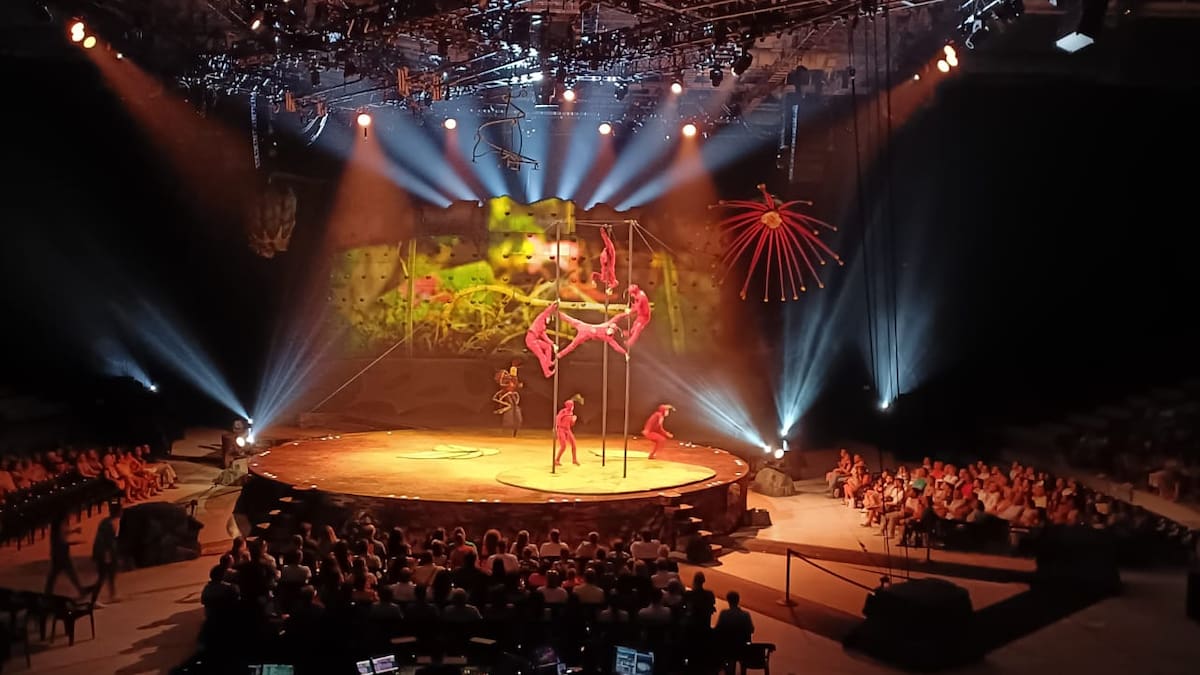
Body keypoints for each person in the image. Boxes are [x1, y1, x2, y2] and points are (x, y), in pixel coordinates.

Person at [46, 512, 86, 596]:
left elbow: (64, 533)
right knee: (64, 573)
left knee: (58, 574)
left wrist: (74, 531)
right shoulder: (59, 525)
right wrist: (74, 543)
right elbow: (61, 541)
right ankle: (81, 590)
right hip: (61, 553)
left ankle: (81, 590)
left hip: (58, 553)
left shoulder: (58, 525)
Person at [92, 501, 122, 603]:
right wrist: (108, 557)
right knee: (102, 577)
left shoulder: (107, 521)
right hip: (104, 554)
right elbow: (107, 542)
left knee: (111, 575)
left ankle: (112, 594)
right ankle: (94, 600)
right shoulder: (109, 524)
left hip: (104, 553)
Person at [554, 399, 580, 466]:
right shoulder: (563, 411)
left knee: (574, 444)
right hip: (561, 430)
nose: (572, 406)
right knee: (563, 446)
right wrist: (556, 428)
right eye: (571, 405)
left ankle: (574, 459)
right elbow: (558, 419)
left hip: (568, 430)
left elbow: (571, 424)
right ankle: (556, 460)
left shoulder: (571, 413)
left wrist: (573, 420)